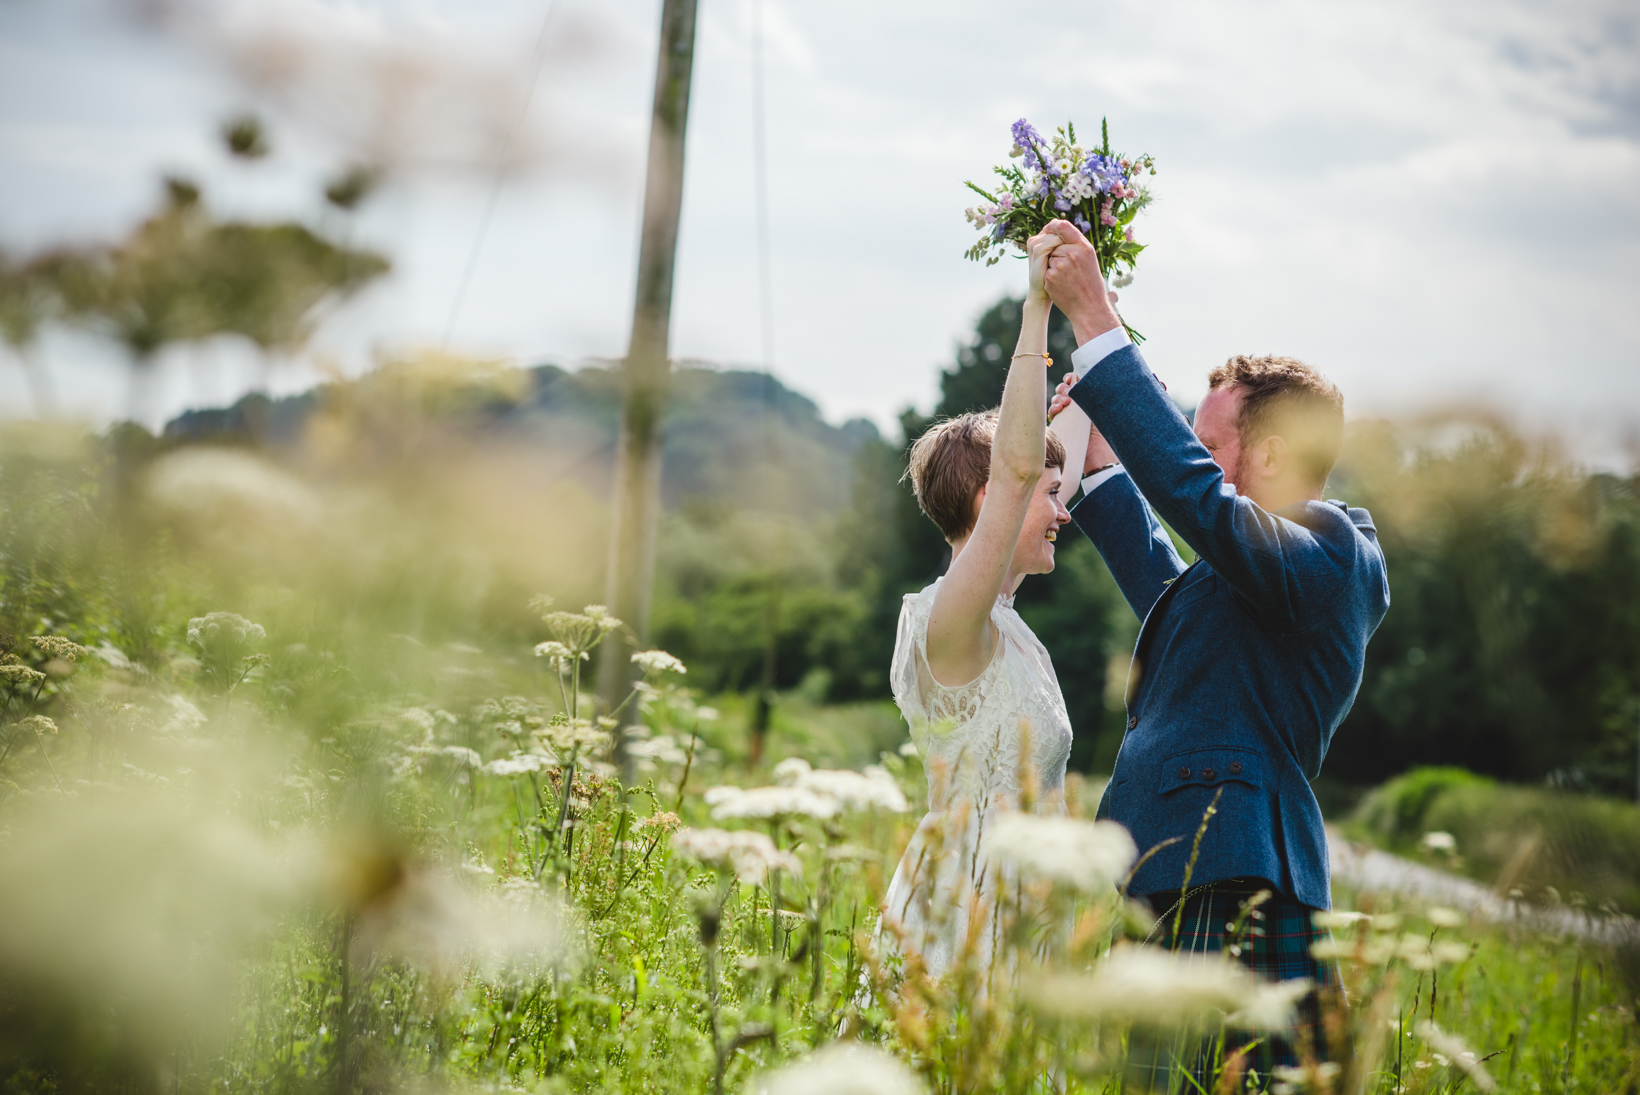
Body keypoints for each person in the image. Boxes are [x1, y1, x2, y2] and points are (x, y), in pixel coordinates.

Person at [1039, 217, 1389, 1068]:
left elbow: (1198, 505)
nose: (1193, 461)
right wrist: (1100, 456)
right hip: (1175, 871)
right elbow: (1171, 582)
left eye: (1208, 444)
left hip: (1232, 873)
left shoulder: (1336, 554)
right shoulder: (1249, 582)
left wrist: (1097, 326)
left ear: (1267, 453)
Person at [878, 230, 1075, 981]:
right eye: (1047, 500)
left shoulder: (1008, 624)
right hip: (962, 918)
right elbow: (1028, 464)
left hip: (1026, 922)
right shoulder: (946, 622)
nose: (1063, 513)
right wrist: (1036, 308)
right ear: (995, 500)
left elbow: (1050, 457)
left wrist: (1093, 318)